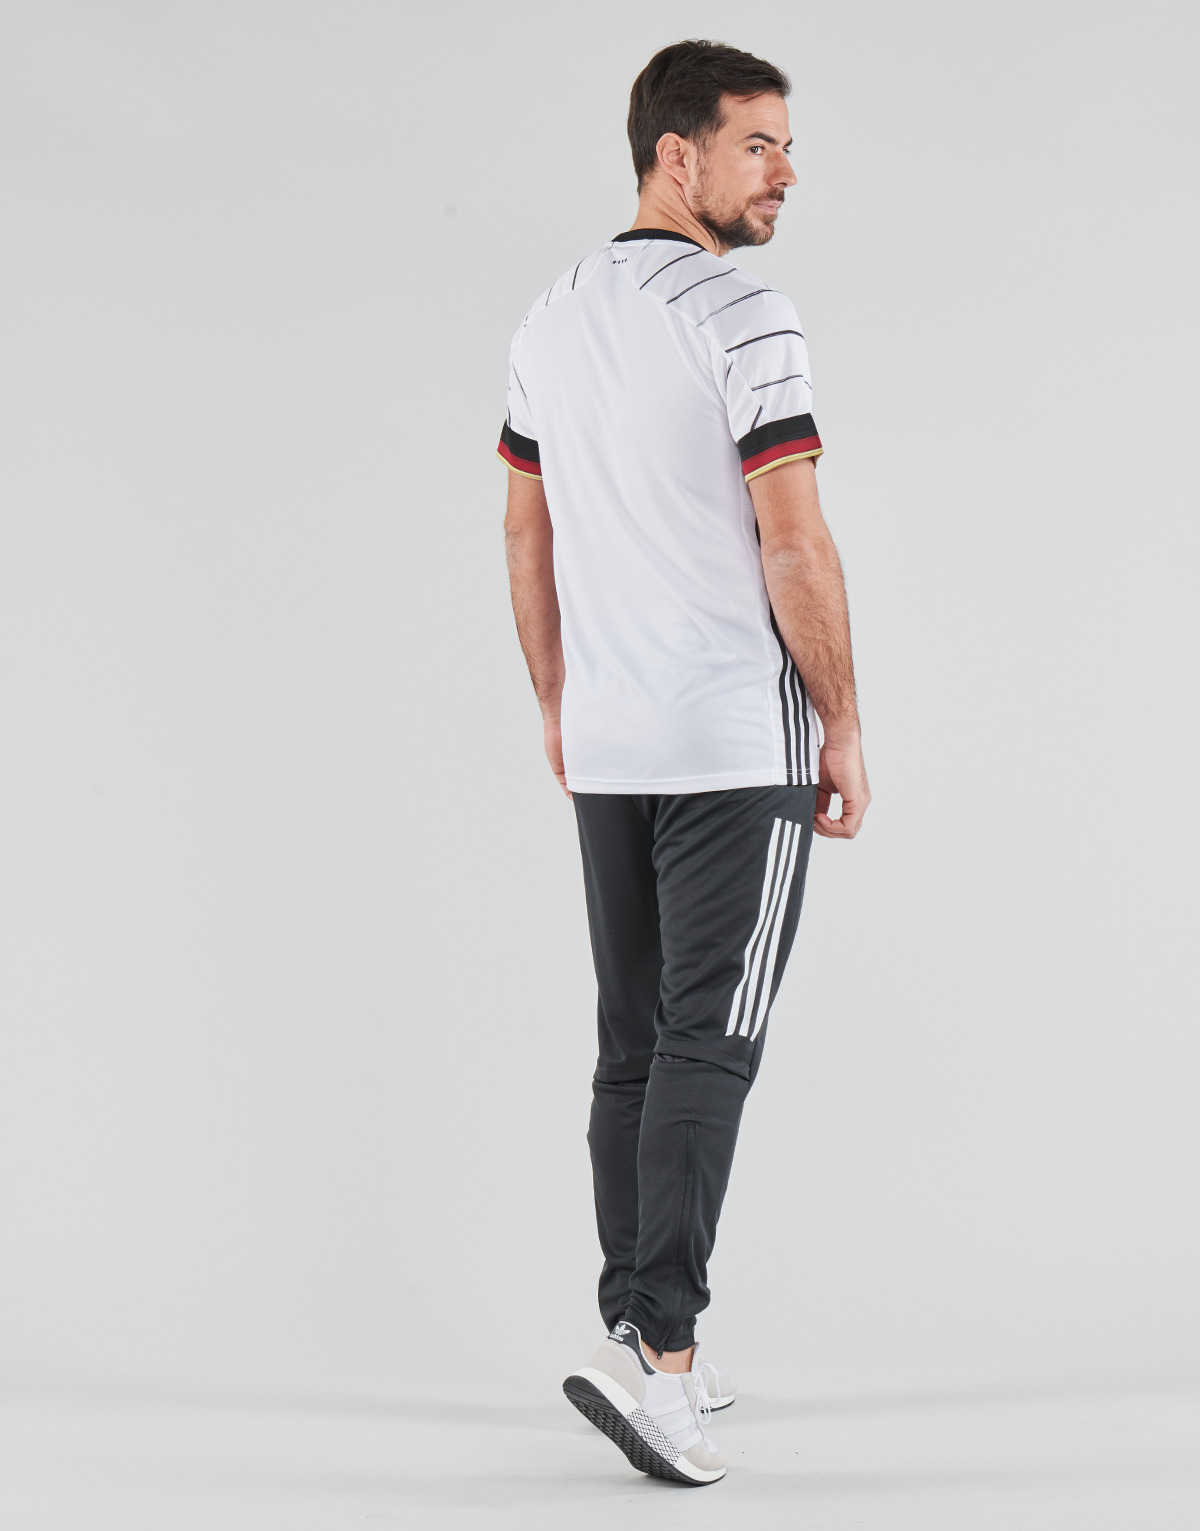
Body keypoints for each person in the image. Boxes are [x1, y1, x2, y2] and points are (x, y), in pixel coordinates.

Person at [498, 39, 870, 1486]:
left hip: (612, 739)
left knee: (635, 1046)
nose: (786, 172)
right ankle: (662, 1360)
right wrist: (841, 723)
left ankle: (638, 1333)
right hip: (729, 736)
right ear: (678, 154)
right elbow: (795, 536)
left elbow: (524, 528)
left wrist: (557, 702)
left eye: (786, 145)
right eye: (759, 144)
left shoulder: (550, 315)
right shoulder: (742, 308)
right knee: (707, 1042)